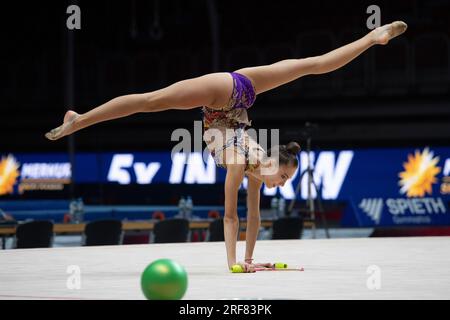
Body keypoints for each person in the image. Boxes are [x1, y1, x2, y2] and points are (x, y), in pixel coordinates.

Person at [45, 21, 407, 272]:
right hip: (225, 96)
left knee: (308, 66)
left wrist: (247, 260)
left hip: (237, 97)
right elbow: (230, 217)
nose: (282, 184)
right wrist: (232, 263)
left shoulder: (252, 168)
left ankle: (372, 38)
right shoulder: (239, 163)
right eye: (283, 176)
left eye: (284, 180)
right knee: (151, 100)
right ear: (271, 165)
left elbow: (253, 218)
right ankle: (80, 119)